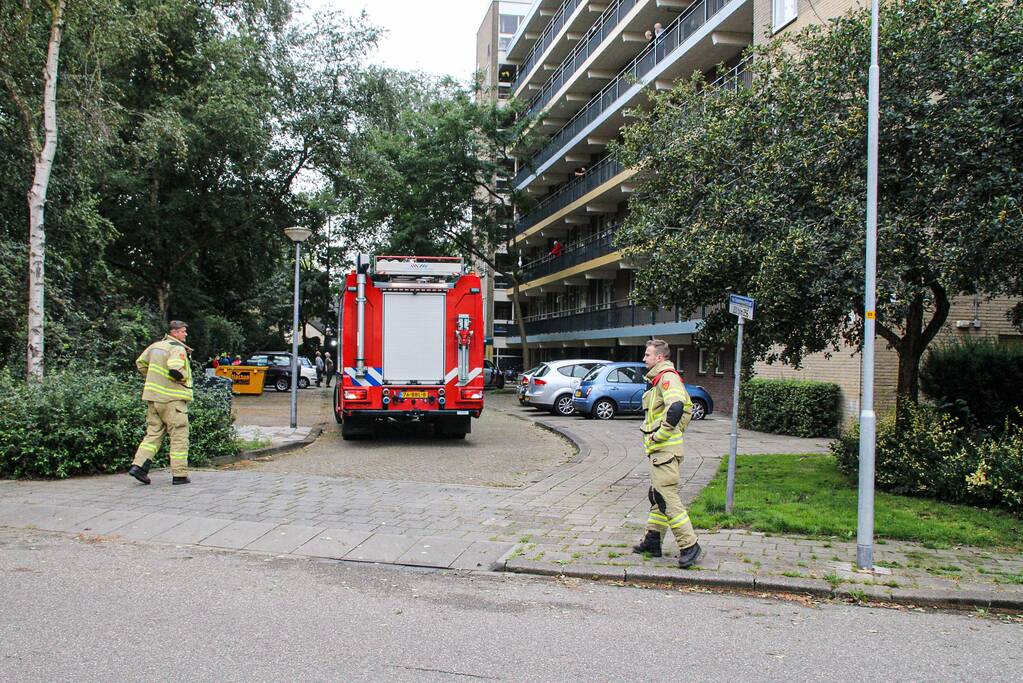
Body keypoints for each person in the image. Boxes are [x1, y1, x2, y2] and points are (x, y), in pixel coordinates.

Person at [632, 338, 702, 568]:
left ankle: (689, 544)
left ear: (659, 357)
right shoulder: (658, 380)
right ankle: (653, 540)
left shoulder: (667, 379)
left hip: (665, 449)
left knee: (667, 497)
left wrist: (659, 436)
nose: (644, 359)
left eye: (648, 355)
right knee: (657, 496)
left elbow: (677, 407)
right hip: (660, 451)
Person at [127, 320, 194, 486]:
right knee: (179, 436)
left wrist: (154, 378)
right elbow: (175, 369)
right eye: (183, 331)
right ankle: (180, 475)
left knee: (153, 434)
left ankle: (139, 467)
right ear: (175, 332)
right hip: (172, 401)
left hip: (153, 399)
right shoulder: (177, 348)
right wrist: (181, 378)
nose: (185, 334)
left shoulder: (155, 346)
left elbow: (140, 363)